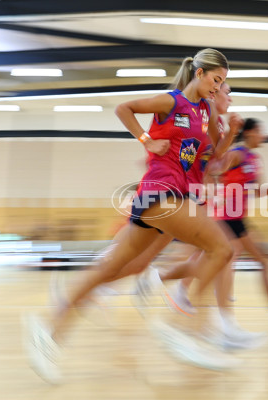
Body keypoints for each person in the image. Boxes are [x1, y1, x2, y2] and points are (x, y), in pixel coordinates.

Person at [24, 48, 239, 384]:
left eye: (223, 83)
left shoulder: (203, 112)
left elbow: (212, 162)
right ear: (199, 73)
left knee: (120, 267)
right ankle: (186, 331)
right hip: (161, 193)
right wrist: (146, 140)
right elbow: (123, 108)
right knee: (222, 249)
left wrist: (229, 135)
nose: (219, 87)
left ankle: (48, 328)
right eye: (216, 80)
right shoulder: (172, 102)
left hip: (177, 197)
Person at [170, 118, 268, 336]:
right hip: (225, 218)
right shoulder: (236, 154)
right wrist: (213, 191)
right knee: (230, 262)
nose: (264, 136)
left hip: (238, 219)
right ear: (250, 133)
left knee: (257, 260)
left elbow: (256, 191)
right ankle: (204, 310)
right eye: (260, 132)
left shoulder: (255, 159)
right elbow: (214, 169)